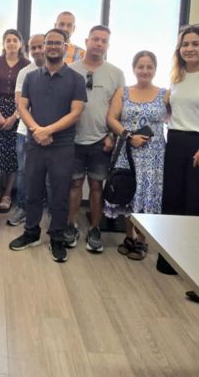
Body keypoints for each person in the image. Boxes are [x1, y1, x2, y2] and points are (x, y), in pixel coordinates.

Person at [9, 29, 86, 263]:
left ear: (65, 46)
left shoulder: (76, 79)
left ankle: (57, 237)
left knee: (59, 194)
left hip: (62, 145)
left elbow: (76, 112)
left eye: (57, 43)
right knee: (32, 190)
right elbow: (22, 107)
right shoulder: (31, 77)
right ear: (43, 46)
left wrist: (48, 130)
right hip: (35, 142)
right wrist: (37, 130)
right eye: (48, 43)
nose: (52, 46)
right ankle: (31, 233)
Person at [67, 25, 125, 252]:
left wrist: (112, 135)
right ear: (86, 41)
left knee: (96, 185)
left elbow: (119, 110)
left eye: (104, 41)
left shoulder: (116, 74)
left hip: (102, 140)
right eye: (95, 39)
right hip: (73, 139)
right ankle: (71, 225)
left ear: (108, 45)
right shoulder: (70, 69)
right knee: (74, 184)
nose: (99, 44)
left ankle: (94, 228)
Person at [106, 50, 167, 261]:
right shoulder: (122, 92)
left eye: (149, 67)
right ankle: (129, 235)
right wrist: (129, 136)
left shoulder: (165, 94)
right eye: (141, 66)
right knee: (128, 191)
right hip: (127, 150)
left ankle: (142, 239)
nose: (145, 71)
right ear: (134, 69)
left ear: (155, 69)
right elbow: (112, 118)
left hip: (153, 155)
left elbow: (176, 118)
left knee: (147, 194)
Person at [162, 25, 199, 218]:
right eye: (185, 44)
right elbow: (174, 111)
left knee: (195, 200)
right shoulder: (176, 77)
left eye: (195, 44)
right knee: (172, 197)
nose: (189, 48)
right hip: (174, 141)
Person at [0, 29, 30, 212]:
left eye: (15, 40)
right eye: (8, 40)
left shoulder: (27, 64)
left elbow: (27, 95)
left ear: (20, 44)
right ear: (3, 44)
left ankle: (7, 194)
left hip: (18, 111)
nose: (11, 43)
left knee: (12, 153)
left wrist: (14, 117)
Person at [7, 33, 45, 226]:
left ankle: (47, 210)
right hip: (25, 131)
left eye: (40, 46)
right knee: (24, 171)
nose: (37, 51)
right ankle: (22, 207)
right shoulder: (25, 72)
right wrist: (35, 127)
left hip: (52, 132)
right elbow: (20, 104)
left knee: (49, 174)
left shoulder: (61, 71)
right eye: (33, 48)